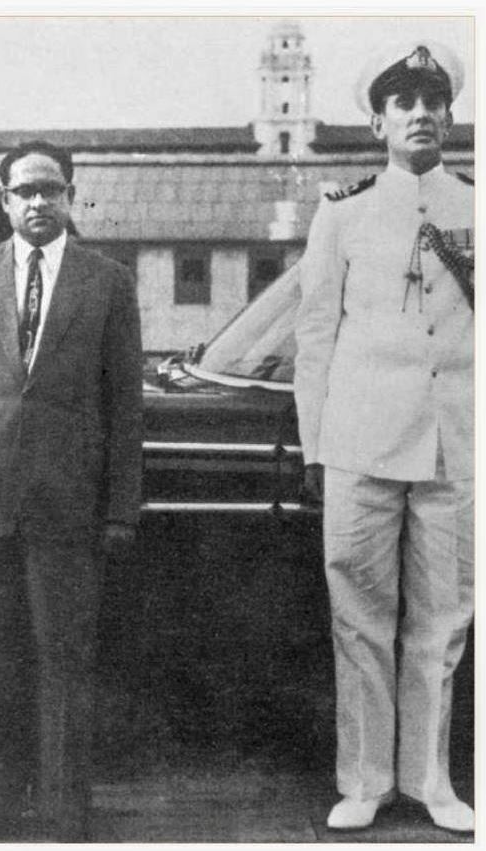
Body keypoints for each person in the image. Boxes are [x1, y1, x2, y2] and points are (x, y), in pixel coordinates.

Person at [0, 140, 143, 842]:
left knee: (65, 660)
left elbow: (125, 404)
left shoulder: (108, 281)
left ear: (71, 195)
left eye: (51, 189)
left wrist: (120, 507)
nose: (38, 201)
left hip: (71, 505)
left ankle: (65, 810)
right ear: (5, 200)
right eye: (25, 191)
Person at [294, 41, 473, 833]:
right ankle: (364, 779)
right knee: (360, 618)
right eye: (402, 103)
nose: (419, 114)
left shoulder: (474, 208)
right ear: (377, 123)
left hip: (452, 444)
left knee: (443, 621)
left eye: (432, 101)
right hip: (359, 443)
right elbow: (314, 337)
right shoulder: (343, 212)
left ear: (449, 116)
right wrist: (313, 446)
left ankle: (430, 780)